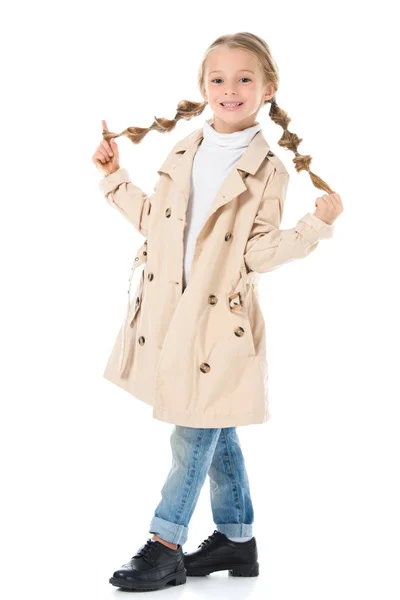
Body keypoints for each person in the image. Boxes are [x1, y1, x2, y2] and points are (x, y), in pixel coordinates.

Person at [92, 32, 343, 592]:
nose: (230, 90)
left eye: (244, 79)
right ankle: (236, 539)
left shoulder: (268, 170)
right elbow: (158, 224)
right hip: (168, 312)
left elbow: (256, 252)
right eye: (218, 79)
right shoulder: (185, 148)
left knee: (192, 431)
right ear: (203, 87)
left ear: (268, 89)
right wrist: (114, 178)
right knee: (214, 424)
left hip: (216, 323)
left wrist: (313, 227)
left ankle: (165, 543)